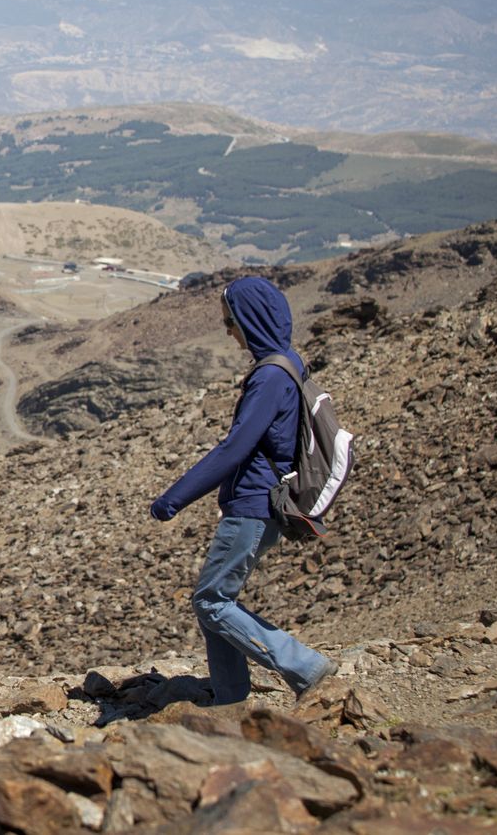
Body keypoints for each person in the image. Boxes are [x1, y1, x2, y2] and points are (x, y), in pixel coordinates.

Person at [150, 276, 337, 705]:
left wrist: (172, 500)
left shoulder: (270, 377)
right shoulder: (288, 362)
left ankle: (306, 667)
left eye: (230, 321)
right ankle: (230, 697)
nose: (228, 331)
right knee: (215, 601)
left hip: (253, 505)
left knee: (213, 601)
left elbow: (235, 447)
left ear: (249, 319)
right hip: (262, 503)